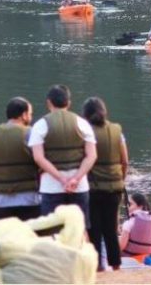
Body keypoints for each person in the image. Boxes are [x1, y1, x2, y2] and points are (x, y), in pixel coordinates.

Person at [29, 85, 97, 229]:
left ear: (48, 103)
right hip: (79, 187)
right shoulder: (82, 123)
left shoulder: (41, 125)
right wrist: (75, 179)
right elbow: (91, 156)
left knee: (52, 232)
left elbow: (38, 158)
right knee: (79, 231)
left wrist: (61, 179)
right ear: (69, 103)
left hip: (51, 187)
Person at [82, 97, 128, 271]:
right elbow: (125, 161)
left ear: (85, 114)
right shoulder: (117, 131)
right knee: (111, 229)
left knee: (94, 228)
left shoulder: (86, 132)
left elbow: (84, 158)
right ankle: (116, 265)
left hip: (93, 188)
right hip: (115, 188)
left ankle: (98, 266)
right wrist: (121, 180)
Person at [119, 192, 151, 260]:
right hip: (148, 258)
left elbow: (121, 247)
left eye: (130, 204)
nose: (128, 207)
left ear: (140, 206)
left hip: (129, 258)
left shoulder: (129, 223)